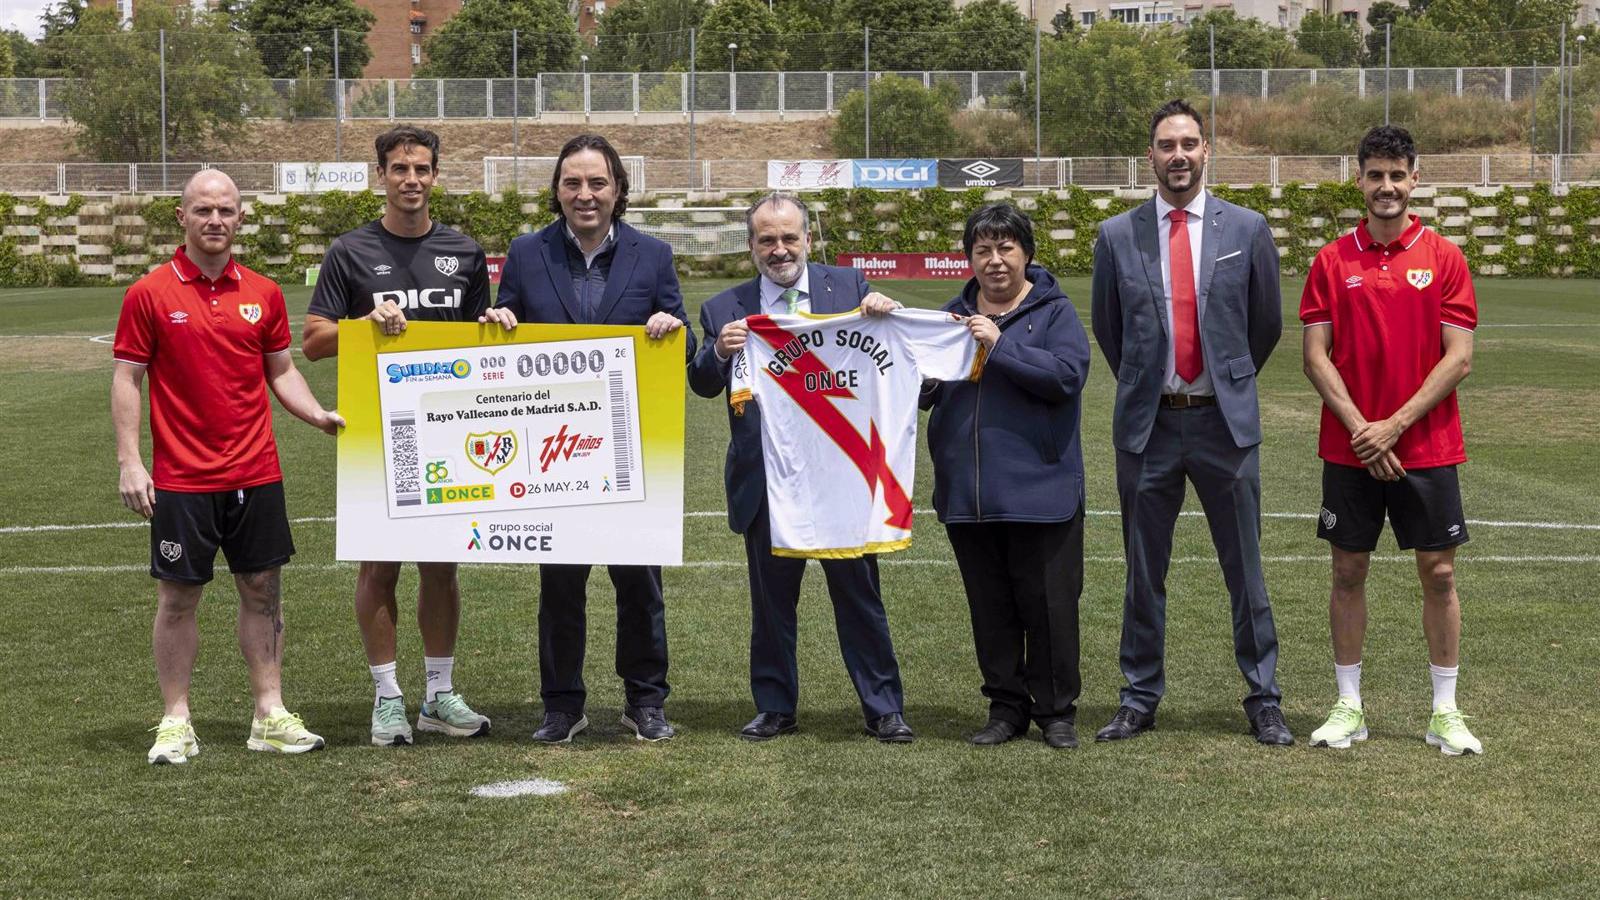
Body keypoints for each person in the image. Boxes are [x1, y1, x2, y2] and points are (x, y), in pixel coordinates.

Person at [113, 170, 343, 764]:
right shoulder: (149, 293)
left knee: (263, 590)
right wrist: (131, 462)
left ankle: (269, 713)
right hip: (183, 479)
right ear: (181, 218)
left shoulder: (263, 293)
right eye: (203, 210)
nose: (215, 220)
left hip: (256, 471)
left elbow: (281, 370)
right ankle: (175, 720)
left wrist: (315, 414)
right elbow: (127, 379)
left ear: (241, 218)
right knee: (178, 598)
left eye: (226, 210)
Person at [302, 125, 515, 746]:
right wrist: (363, 324)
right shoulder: (349, 252)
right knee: (379, 565)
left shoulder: (465, 253)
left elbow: (479, 335)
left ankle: (439, 695)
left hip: (449, 430)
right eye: (400, 169)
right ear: (382, 176)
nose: (412, 180)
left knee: (442, 567)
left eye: (422, 169)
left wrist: (496, 321)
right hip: (378, 433)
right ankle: (389, 698)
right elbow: (313, 342)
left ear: (436, 175)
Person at [1089, 99, 1292, 746]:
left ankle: (1263, 698)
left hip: (1223, 427)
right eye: (1166, 145)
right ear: (1149, 157)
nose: (1178, 155)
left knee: (1246, 571)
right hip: (1149, 428)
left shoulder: (1248, 230)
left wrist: (1224, 381)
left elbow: (1265, 327)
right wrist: (1154, 384)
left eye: (1189, 144)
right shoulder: (1118, 236)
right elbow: (1110, 331)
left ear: (1208, 152)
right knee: (1144, 571)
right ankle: (1139, 696)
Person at [687, 192, 916, 743]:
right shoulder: (725, 308)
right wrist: (718, 351)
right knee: (771, 605)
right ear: (751, 247)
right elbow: (701, 381)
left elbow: (880, 353)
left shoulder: (849, 287)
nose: (780, 249)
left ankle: (883, 707)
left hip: (843, 475)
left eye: (790, 237)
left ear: (809, 240)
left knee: (859, 595)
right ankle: (774, 706)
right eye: (767, 239)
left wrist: (885, 312)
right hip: (766, 479)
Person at [493, 133, 695, 743]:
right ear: (556, 190)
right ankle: (561, 704)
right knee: (560, 587)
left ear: (618, 190)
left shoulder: (652, 254)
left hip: (630, 447)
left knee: (640, 583)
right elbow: (503, 335)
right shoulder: (527, 254)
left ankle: (645, 700)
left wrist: (671, 323)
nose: (586, 194)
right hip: (552, 450)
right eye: (573, 183)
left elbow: (680, 335)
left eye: (598, 183)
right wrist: (500, 320)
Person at [1300, 125, 1482, 756]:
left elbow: (1457, 360)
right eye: (1375, 174)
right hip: (1349, 445)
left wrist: (1393, 426)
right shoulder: (1331, 260)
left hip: (1427, 446)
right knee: (1348, 570)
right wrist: (1361, 430)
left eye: (1396, 175)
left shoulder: (1445, 257)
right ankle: (1349, 705)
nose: (1386, 186)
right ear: (1360, 179)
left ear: (1415, 178)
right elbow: (1315, 357)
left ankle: (1445, 711)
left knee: (1438, 572)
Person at [923, 204, 1091, 750]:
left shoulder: (1055, 312)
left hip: (1041, 490)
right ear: (968, 258)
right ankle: (1005, 707)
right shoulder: (948, 318)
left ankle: (1056, 710)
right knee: (990, 607)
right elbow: (921, 391)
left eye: (1005, 248)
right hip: (969, 495)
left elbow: (1066, 377)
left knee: (1050, 607)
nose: (994, 261)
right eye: (982, 250)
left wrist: (1000, 345)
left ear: (1026, 253)